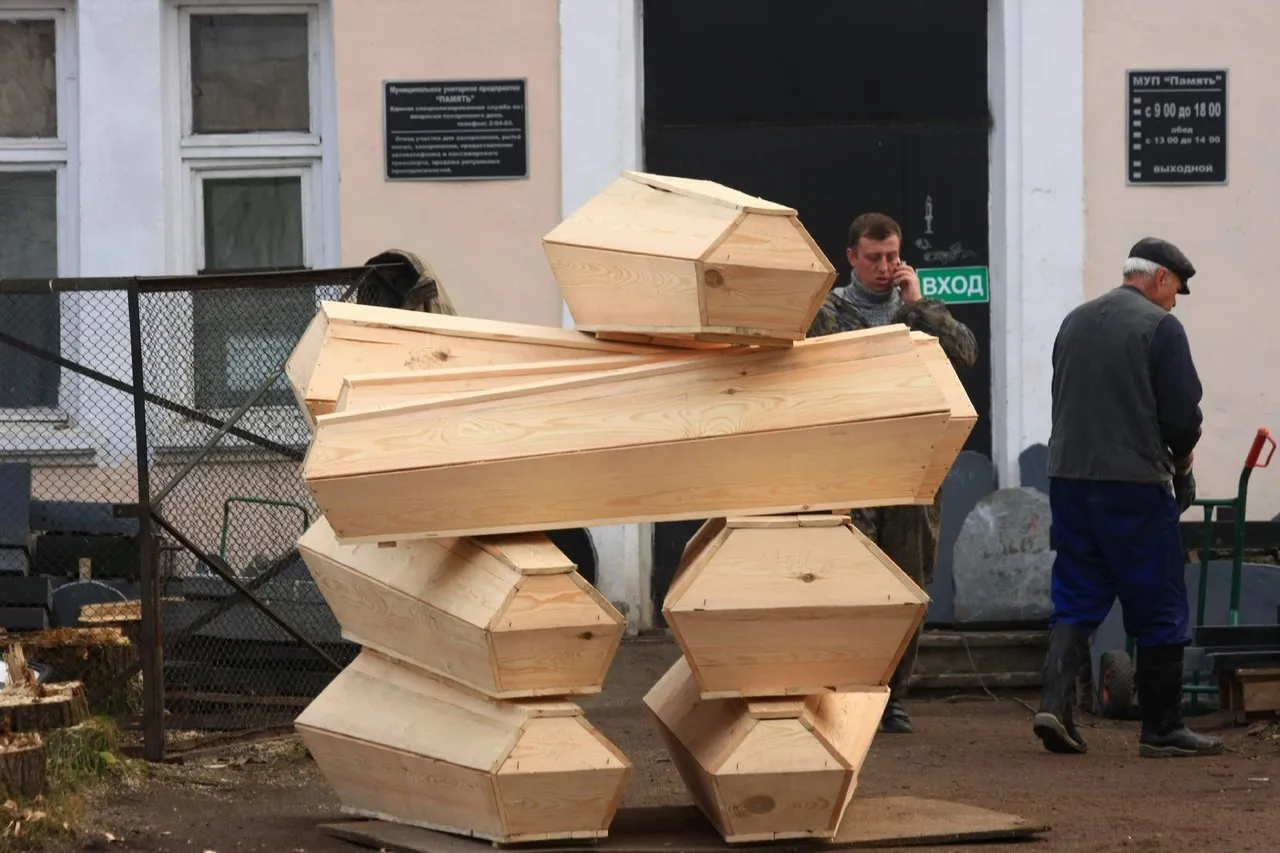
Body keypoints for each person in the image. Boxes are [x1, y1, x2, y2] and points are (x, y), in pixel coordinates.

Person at [1034, 237, 1220, 758]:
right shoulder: (1160, 328)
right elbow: (1182, 416)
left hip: (1068, 479)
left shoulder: (1074, 321)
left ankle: (1055, 704)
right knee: (1158, 598)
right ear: (1159, 278)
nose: (1175, 301)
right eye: (1176, 290)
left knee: (1076, 590)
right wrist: (1182, 464)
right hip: (1133, 484)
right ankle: (1162, 728)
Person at [808, 212, 979, 734]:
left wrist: (918, 304)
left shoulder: (917, 313)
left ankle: (892, 694)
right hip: (850, 467)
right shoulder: (827, 313)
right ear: (851, 257)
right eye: (874, 258)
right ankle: (845, 692)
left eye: (892, 257)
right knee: (852, 583)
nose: (885, 267)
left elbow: (966, 353)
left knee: (907, 584)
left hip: (912, 468)